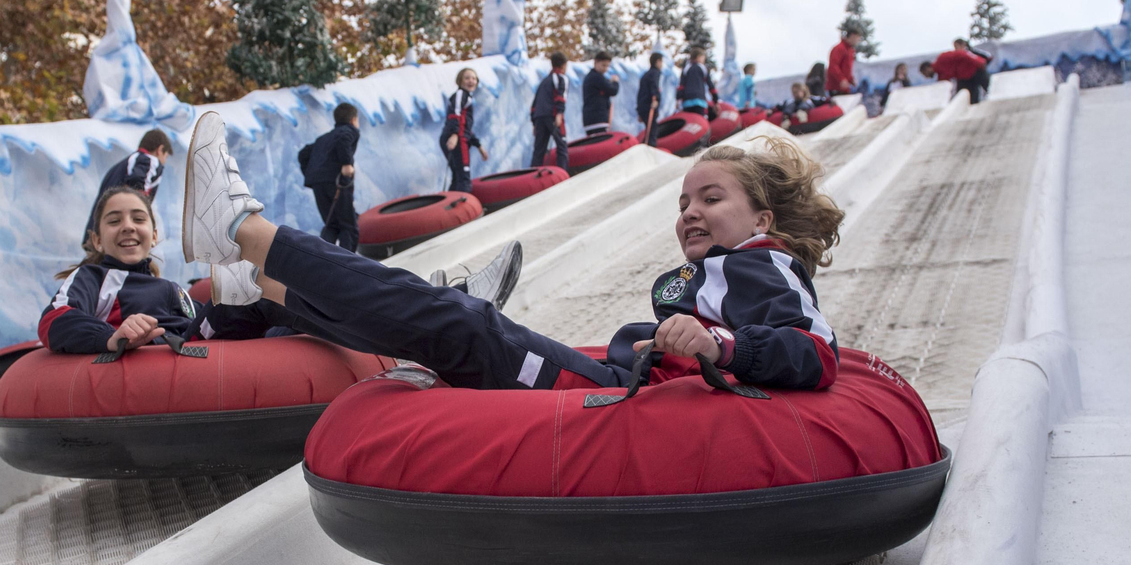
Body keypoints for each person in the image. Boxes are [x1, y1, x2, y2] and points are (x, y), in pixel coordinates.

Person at [176, 111, 843, 394]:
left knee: (460, 326)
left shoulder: (767, 262)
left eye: (711, 199)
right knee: (446, 326)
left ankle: (242, 231)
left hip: (619, 400)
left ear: (762, 216)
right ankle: (264, 288)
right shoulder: (720, 271)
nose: (691, 212)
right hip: (625, 384)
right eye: (683, 203)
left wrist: (718, 347)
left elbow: (813, 355)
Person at [41, 186, 521, 353]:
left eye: (138, 218)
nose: (128, 227)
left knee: (299, 298)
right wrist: (113, 335)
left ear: (155, 233)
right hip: (178, 351)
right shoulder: (94, 279)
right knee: (262, 281)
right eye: (114, 220)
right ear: (94, 239)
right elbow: (55, 321)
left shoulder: (166, 284)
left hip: (208, 342)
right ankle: (444, 308)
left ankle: (440, 308)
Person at [82, 128, 171, 248]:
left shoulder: (122, 166)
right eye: (165, 156)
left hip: (97, 236)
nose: (164, 162)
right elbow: (136, 189)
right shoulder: (149, 160)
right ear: (160, 150)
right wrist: (146, 218)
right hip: (116, 238)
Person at [300, 102, 360, 251]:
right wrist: (346, 164)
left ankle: (323, 259)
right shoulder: (349, 130)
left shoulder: (323, 138)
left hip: (318, 184)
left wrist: (312, 173)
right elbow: (344, 140)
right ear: (353, 120)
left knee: (331, 225)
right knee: (348, 226)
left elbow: (303, 154)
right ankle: (348, 266)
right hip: (336, 182)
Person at [440, 68, 484, 192]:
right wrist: (454, 135)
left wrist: (479, 146)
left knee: (457, 173)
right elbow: (455, 114)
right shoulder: (461, 94)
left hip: (458, 137)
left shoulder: (468, 98)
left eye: (474, 78)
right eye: (467, 78)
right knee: (464, 175)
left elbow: (466, 127)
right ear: (460, 80)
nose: (471, 81)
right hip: (457, 139)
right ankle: (462, 203)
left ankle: (451, 201)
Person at [530, 51, 570, 171]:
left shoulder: (544, 81)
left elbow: (534, 103)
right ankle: (563, 172)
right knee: (561, 144)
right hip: (552, 115)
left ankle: (534, 173)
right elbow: (560, 96)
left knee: (539, 149)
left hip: (539, 117)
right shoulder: (561, 78)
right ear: (563, 65)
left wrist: (534, 122)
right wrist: (559, 113)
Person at [582, 51, 619, 136]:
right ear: (595, 62)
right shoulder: (596, 77)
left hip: (592, 119)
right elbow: (612, 90)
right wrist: (615, 82)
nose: (605, 68)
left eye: (607, 66)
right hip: (598, 119)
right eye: (603, 65)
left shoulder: (592, 77)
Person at [826, 25, 864, 97]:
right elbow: (833, 66)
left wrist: (850, 79)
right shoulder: (840, 48)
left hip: (845, 88)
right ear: (852, 36)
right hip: (836, 87)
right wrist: (841, 79)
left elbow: (847, 68)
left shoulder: (850, 50)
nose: (858, 41)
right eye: (857, 38)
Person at [637, 52, 665, 145]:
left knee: (649, 130)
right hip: (649, 105)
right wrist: (656, 99)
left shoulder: (646, 74)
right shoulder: (655, 73)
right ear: (657, 61)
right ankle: (651, 149)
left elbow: (640, 93)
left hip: (643, 105)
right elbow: (654, 86)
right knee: (652, 131)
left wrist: (639, 109)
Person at [678, 47, 712, 117]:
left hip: (687, 101)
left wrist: (678, 98)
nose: (704, 60)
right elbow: (710, 85)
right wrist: (716, 100)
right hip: (700, 101)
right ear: (698, 57)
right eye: (703, 57)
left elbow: (681, 86)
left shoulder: (686, 69)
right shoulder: (703, 68)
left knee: (689, 121)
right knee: (700, 121)